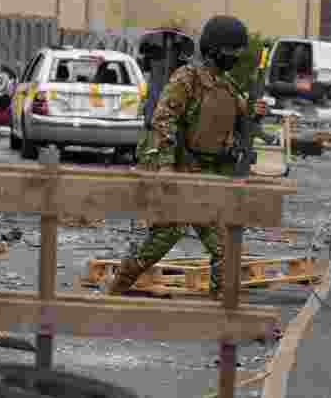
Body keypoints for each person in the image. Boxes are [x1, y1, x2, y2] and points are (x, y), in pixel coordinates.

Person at [106, 15, 268, 297]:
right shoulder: (188, 79)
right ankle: (116, 289)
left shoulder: (227, 86)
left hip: (207, 178)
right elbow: (163, 119)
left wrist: (255, 113)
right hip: (181, 174)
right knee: (162, 239)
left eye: (238, 54)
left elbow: (241, 120)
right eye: (231, 52)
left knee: (224, 247)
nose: (234, 58)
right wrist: (166, 168)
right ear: (214, 50)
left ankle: (223, 308)